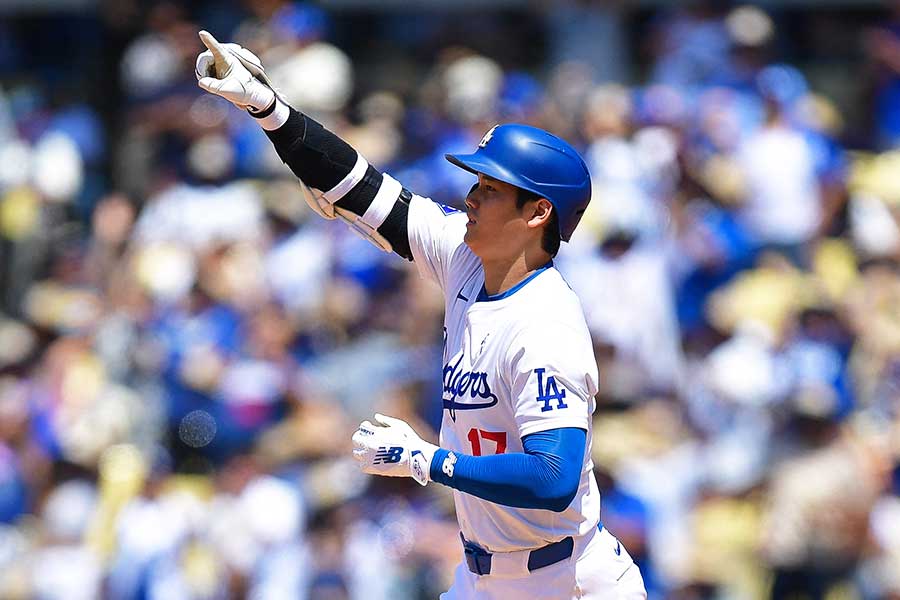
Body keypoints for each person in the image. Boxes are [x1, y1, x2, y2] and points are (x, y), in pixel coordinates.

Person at [195, 30, 647, 599]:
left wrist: (424, 460)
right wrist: (268, 109)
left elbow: (553, 477)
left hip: (567, 582)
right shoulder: (465, 256)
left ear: (537, 213)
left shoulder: (544, 323)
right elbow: (365, 191)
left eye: (490, 188)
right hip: (482, 577)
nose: (471, 198)